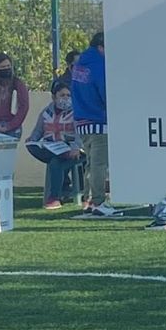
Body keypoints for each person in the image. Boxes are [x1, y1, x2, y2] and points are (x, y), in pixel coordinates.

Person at [72, 32, 116, 216]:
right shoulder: (99, 65)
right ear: (101, 46)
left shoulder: (80, 64)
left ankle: (89, 200)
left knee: (90, 164)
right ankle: (98, 202)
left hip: (82, 121)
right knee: (99, 164)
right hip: (99, 121)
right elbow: (106, 91)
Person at [25, 81, 83, 209]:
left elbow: (80, 133)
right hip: (52, 148)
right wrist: (32, 140)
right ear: (54, 97)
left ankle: (54, 197)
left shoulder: (76, 112)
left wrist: (76, 147)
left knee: (55, 163)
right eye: (62, 95)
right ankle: (59, 193)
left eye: (68, 95)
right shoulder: (46, 113)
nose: (66, 98)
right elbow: (38, 131)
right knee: (52, 158)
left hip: (74, 151)